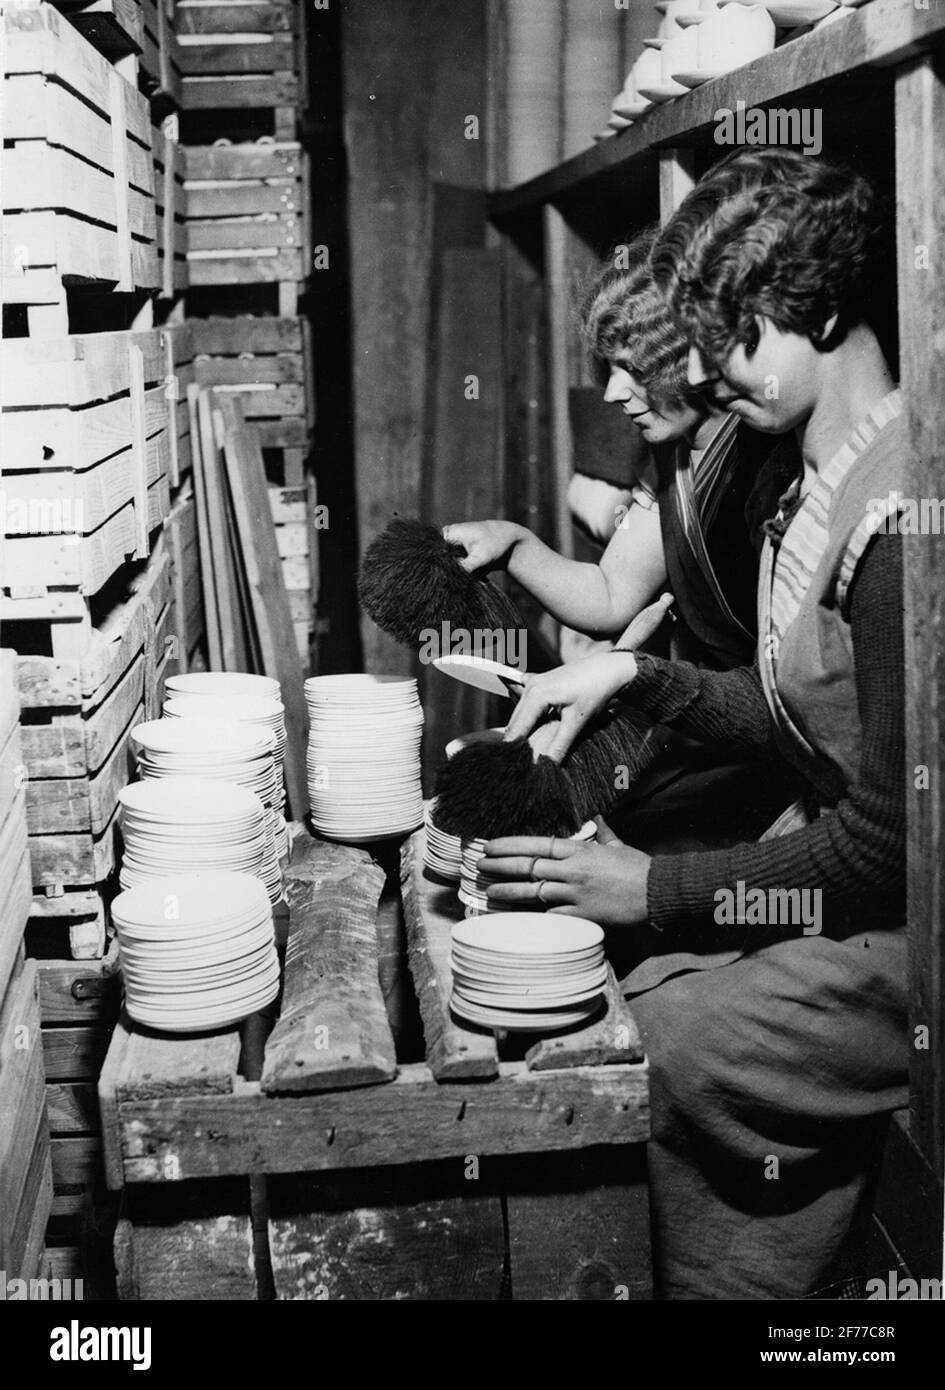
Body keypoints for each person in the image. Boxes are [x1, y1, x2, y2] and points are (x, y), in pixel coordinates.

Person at [481, 148, 910, 1299]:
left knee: (653, 1036)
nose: (712, 374)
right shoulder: (804, 475)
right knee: (637, 981)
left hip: (909, 931)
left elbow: (887, 844)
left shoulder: (900, 512)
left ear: (816, 311)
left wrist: (656, 889)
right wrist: (632, 679)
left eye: (737, 340)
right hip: (840, 875)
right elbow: (781, 713)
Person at [445, 227, 798, 851]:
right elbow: (612, 593)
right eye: (608, 369)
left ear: (693, 352)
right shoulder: (677, 455)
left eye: (631, 370)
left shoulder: (767, 469)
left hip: (770, 735)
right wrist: (516, 545)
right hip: (708, 720)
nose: (611, 393)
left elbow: (789, 695)